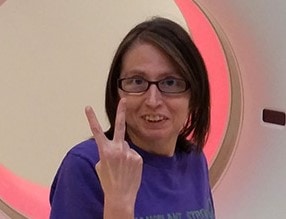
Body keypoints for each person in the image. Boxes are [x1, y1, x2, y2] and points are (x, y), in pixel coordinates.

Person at [49, 17, 215, 219]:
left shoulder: (194, 160)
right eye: (137, 81)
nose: (153, 100)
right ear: (117, 92)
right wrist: (118, 204)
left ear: (195, 94)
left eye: (171, 83)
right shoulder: (88, 165)